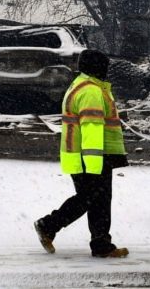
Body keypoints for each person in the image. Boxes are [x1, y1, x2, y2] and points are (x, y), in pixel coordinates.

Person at [34, 48, 129, 258]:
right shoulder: (91, 91)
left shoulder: (82, 86)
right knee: (92, 199)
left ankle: (100, 243)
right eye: (104, 67)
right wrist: (95, 162)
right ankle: (49, 225)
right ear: (98, 67)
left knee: (94, 200)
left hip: (82, 154)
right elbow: (92, 128)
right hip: (92, 156)